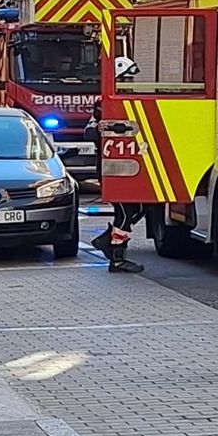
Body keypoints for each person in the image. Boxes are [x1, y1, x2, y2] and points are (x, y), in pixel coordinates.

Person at [86, 57, 145, 274]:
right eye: (127, 78)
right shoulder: (105, 104)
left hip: (127, 167)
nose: (131, 82)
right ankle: (117, 258)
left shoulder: (129, 100)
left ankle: (106, 240)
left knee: (137, 208)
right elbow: (91, 131)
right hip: (112, 168)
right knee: (126, 211)